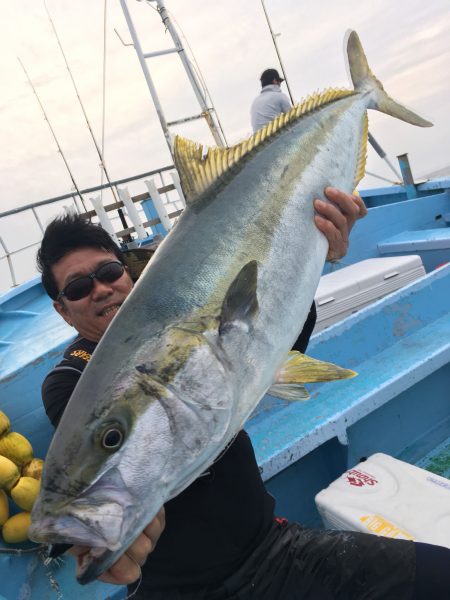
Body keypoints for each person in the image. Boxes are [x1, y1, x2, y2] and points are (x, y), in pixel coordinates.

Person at [37, 190, 450, 600]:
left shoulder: (175, 320)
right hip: (182, 591)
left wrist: (315, 254)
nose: (102, 289)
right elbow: (118, 467)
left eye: (108, 271)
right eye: (78, 287)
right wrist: (117, 532)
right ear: (62, 309)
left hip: (276, 550)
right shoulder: (70, 382)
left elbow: (278, 350)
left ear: (127, 272)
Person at [250, 68, 292, 133]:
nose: (280, 85)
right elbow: (292, 118)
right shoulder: (279, 96)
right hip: (275, 137)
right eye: (279, 82)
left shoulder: (255, 101)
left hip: (261, 141)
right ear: (275, 81)